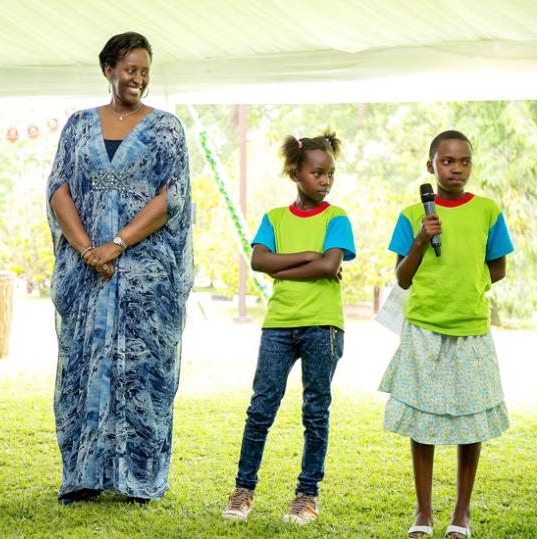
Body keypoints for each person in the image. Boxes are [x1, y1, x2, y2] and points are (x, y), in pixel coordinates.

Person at [46, 31, 193, 505]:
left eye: (145, 71)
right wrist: (90, 249)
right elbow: (59, 189)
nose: (139, 78)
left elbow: (173, 196)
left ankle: (139, 479)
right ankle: (83, 475)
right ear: (109, 70)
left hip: (145, 276)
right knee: (84, 366)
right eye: (130, 69)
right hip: (87, 274)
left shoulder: (167, 128)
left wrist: (117, 243)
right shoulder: (78, 125)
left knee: (142, 371)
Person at [379, 130, 513, 539]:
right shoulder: (410, 215)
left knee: (468, 420)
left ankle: (462, 512)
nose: (457, 169)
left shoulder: (488, 211)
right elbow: (402, 278)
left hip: (470, 329)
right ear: (431, 166)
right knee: (424, 421)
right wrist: (422, 237)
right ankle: (423, 513)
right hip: (424, 329)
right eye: (448, 161)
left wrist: (465, 288)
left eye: (464, 161)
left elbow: (497, 268)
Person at [221, 132, 356, 524]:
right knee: (261, 408)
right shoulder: (275, 218)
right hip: (279, 325)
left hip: (323, 327)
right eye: (318, 173)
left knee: (315, 412)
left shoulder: (337, 217)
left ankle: (306, 496)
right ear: (296, 173)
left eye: (330, 174)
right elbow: (259, 261)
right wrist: (310, 255)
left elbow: (329, 267)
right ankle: (243, 491)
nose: (326, 181)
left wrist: (290, 263)